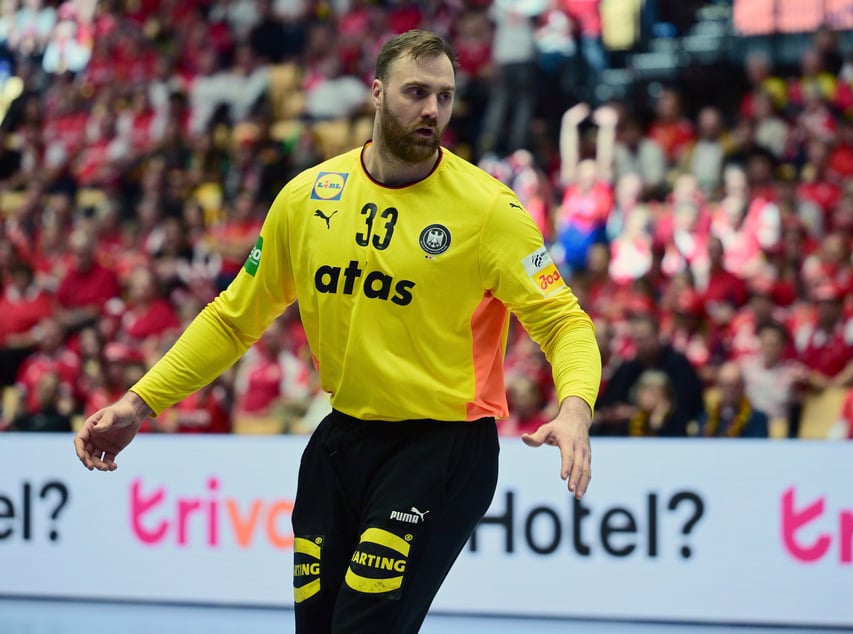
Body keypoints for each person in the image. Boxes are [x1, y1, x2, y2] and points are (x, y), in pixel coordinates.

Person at [73, 30, 600, 634]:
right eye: (416, 92)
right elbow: (232, 317)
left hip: (443, 447)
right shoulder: (306, 198)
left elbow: (563, 322)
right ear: (376, 94)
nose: (433, 109)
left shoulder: (489, 213)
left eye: (445, 96)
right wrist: (140, 403)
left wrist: (576, 408)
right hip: (341, 442)